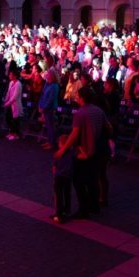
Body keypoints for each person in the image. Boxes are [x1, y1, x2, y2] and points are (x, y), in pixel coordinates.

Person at [54, 86, 112, 220]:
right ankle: (94, 205)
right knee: (93, 179)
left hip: (84, 151)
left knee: (79, 180)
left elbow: (74, 134)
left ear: (82, 98)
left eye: (78, 96)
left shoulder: (80, 114)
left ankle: (83, 209)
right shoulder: (99, 110)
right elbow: (108, 127)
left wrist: (62, 149)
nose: (76, 98)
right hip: (99, 149)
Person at [51, 134, 74, 224]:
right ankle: (67, 211)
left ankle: (58, 214)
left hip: (59, 177)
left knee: (58, 195)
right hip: (68, 177)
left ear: (60, 144)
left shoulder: (58, 154)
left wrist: (54, 175)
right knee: (67, 193)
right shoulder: (72, 153)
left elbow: (54, 167)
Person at [3, 69, 23, 140]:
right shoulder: (11, 82)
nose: (9, 76)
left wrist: (7, 103)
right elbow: (8, 92)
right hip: (10, 104)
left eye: (10, 74)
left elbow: (15, 96)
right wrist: (6, 100)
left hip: (15, 104)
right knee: (9, 118)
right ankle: (11, 132)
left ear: (15, 76)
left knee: (15, 120)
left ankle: (15, 134)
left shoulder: (18, 84)